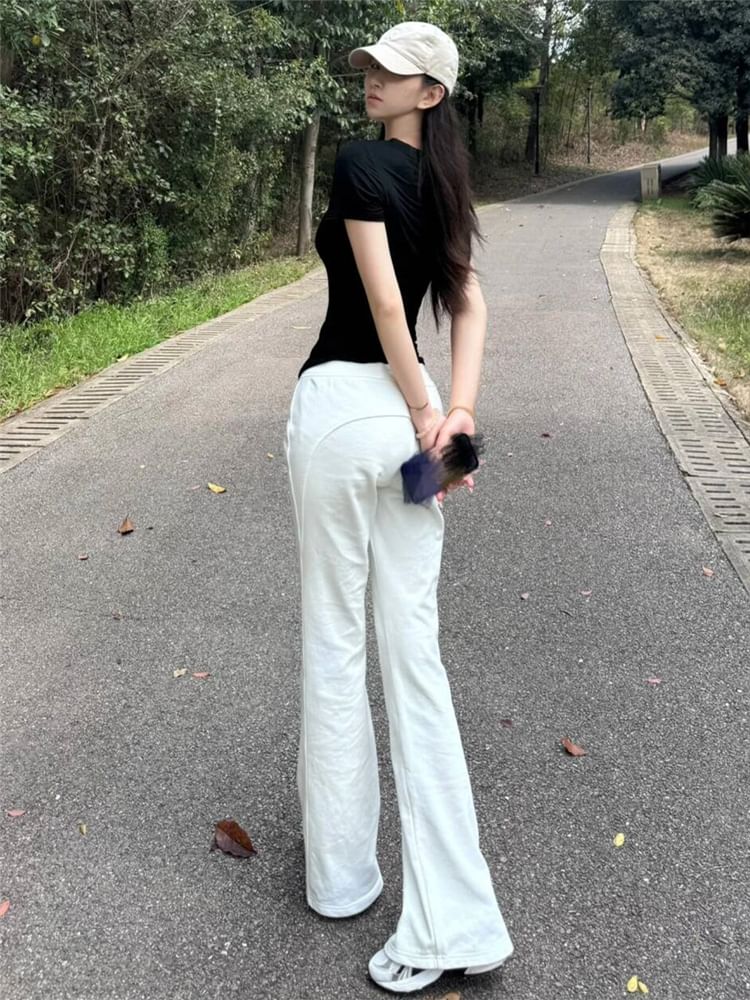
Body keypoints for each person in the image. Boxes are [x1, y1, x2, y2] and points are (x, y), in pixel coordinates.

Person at [284, 20, 514, 995]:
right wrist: (456, 417)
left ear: (431, 92)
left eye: (393, 71)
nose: (371, 77)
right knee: (416, 660)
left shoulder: (360, 164)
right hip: (416, 438)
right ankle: (456, 922)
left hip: (346, 417)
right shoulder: (449, 188)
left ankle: (343, 882)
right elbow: (468, 305)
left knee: (337, 643)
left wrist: (425, 410)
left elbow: (384, 309)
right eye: (370, 66)